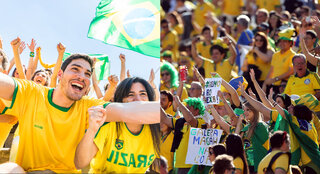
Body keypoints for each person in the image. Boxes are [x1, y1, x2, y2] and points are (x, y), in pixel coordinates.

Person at [0, 37, 159, 173]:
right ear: (60, 75)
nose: (81, 76)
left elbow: (129, 111)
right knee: (9, 169)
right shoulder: (32, 93)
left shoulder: (90, 106)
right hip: (29, 171)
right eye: (75, 69)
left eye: (87, 74)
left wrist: (166, 115)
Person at [75, 77, 160, 173]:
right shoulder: (108, 123)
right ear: (121, 100)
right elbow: (80, 163)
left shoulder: (157, 128)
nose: (138, 100)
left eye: (143, 94)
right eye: (130, 95)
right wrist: (92, 130)